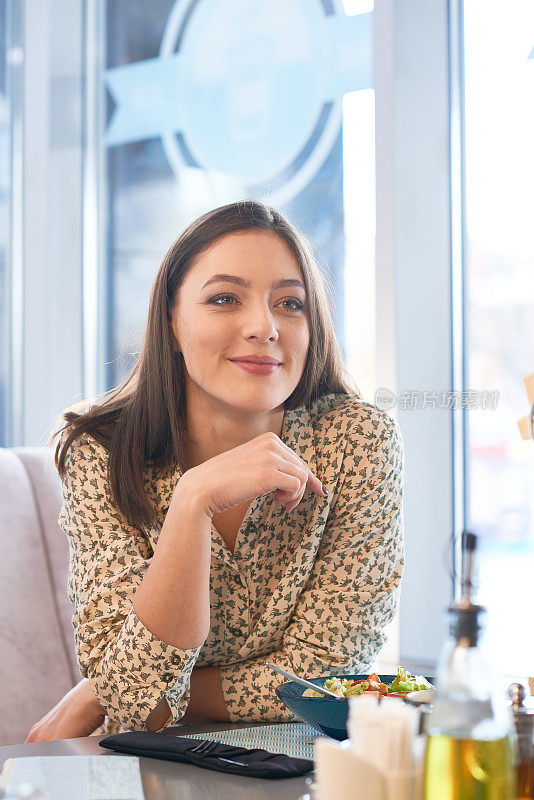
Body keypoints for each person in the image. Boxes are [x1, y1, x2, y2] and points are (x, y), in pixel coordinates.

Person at [25, 200, 404, 743]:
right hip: (149, 769)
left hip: (301, 770)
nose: (264, 327)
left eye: (290, 303)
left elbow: (325, 679)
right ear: (172, 323)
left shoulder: (358, 442)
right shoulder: (102, 453)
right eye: (225, 298)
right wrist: (193, 500)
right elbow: (138, 709)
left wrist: (101, 688)